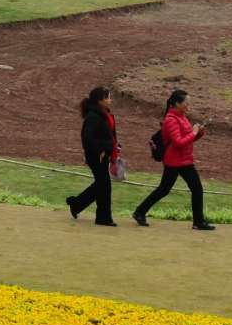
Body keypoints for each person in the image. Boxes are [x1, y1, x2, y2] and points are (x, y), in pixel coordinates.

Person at [131, 89, 212, 230]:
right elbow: (178, 143)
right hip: (175, 162)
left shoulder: (182, 117)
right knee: (171, 189)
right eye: (186, 102)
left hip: (184, 160)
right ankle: (140, 212)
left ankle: (198, 222)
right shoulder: (170, 120)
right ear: (177, 103)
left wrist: (199, 134)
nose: (189, 105)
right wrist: (193, 132)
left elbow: (187, 140)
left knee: (176, 189)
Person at [65, 86, 120, 225]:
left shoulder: (104, 114)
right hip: (96, 157)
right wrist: (101, 149)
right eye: (107, 97)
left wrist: (113, 147)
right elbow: (87, 139)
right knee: (104, 186)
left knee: (102, 185)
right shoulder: (93, 117)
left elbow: (108, 134)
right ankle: (102, 217)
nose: (110, 100)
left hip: (103, 154)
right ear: (99, 100)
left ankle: (77, 204)